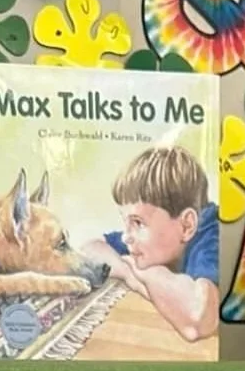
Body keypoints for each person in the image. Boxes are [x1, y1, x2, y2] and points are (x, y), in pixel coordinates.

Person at [83, 146, 218, 343]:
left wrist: (149, 274)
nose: (125, 237)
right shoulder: (153, 241)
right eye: (125, 222)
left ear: (187, 225)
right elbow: (89, 249)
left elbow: (198, 320)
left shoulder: (214, 235)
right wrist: (131, 274)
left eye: (138, 222)